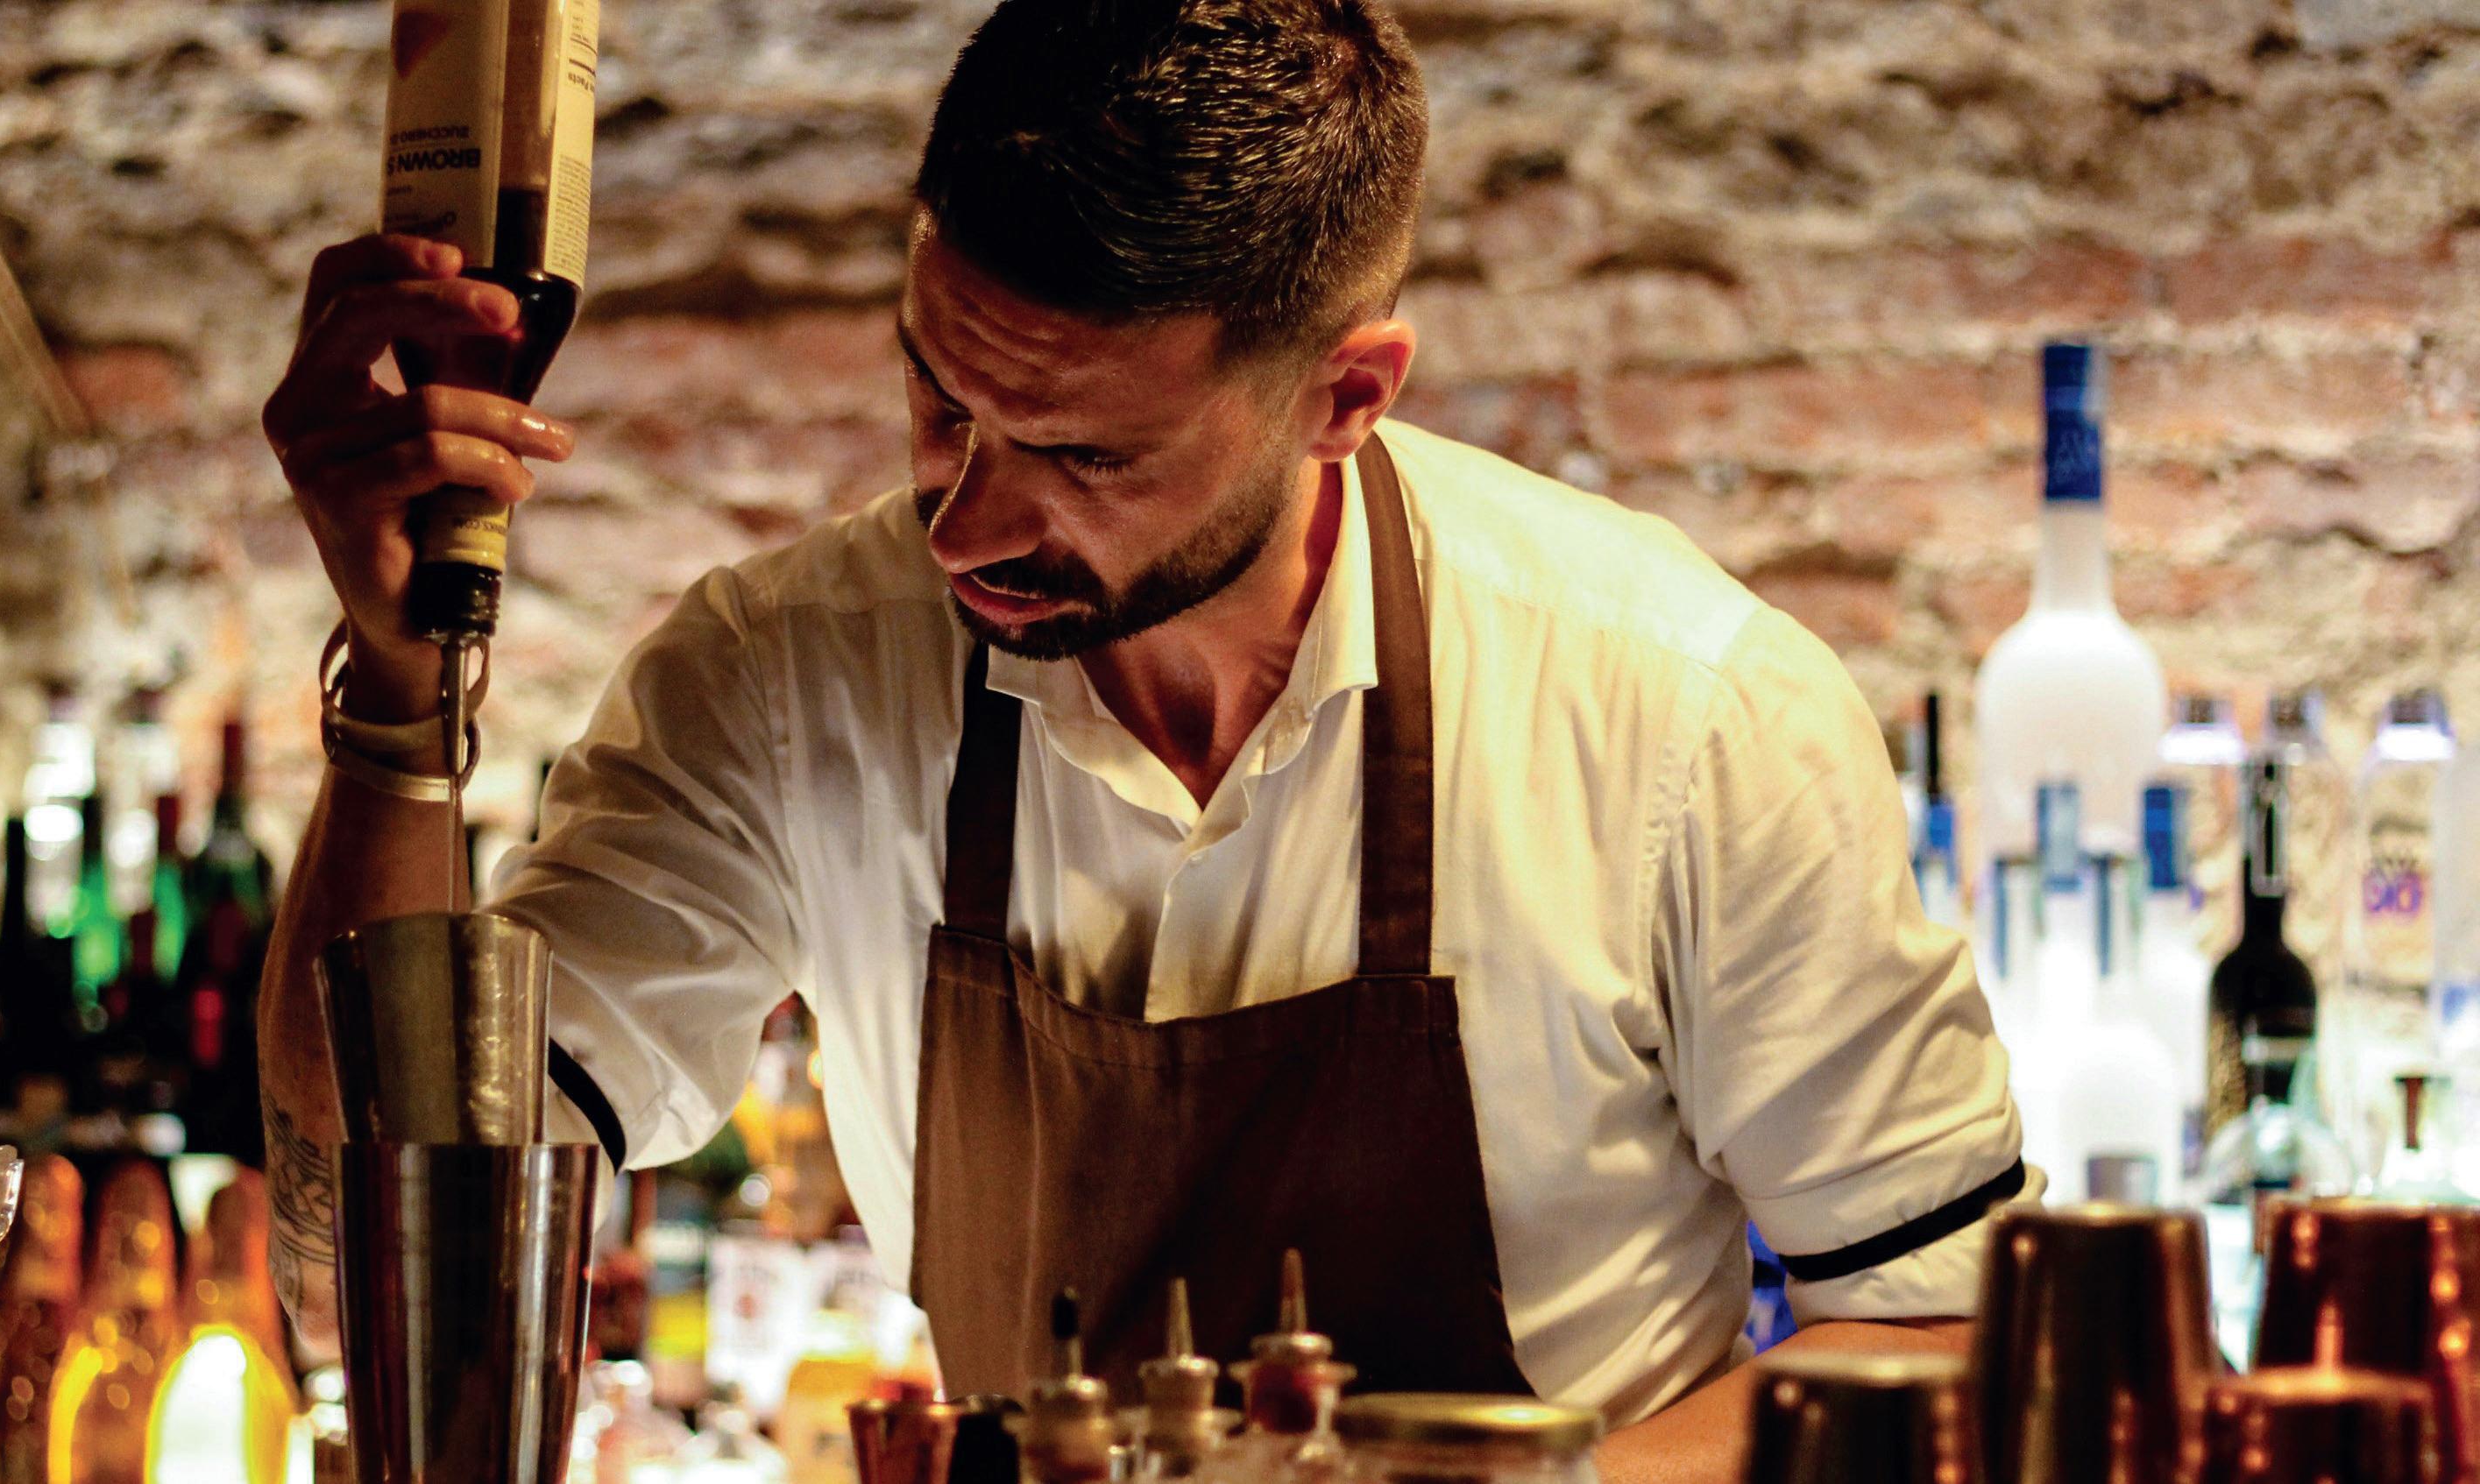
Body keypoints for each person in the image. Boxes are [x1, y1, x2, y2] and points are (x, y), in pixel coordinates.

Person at [254, 1, 2030, 1477]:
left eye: (1081, 455)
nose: (962, 519)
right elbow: (370, 1268)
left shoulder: (1684, 711)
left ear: (1344, 396)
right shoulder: (794, 676)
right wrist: (399, 697)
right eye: (938, 397)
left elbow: (1945, 1335)